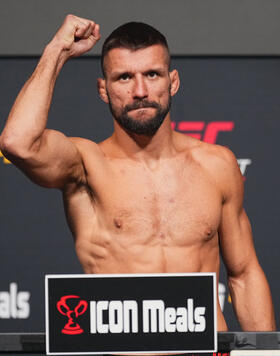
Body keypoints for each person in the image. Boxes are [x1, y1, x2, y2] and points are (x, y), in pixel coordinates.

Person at [0, 14, 276, 331]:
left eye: (152, 74)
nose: (141, 90)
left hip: (205, 347)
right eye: (124, 78)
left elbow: (244, 274)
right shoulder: (86, 164)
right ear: (103, 89)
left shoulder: (217, 164)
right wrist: (56, 51)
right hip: (121, 351)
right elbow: (17, 143)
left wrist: (263, 353)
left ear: (173, 81)